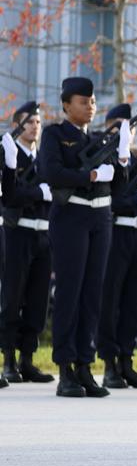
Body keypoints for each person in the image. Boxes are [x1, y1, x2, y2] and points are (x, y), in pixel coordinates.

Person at [39, 77, 131, 398]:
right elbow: (50, 172)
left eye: (92, 102)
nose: (90, 106)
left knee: (93, 294)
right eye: (83, 101)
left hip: (100, 218)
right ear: (66, 104)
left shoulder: (97, 140)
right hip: (71, 218)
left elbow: (118, 187)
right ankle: (65, 368)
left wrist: (121, 159)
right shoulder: (54, 134)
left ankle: (84, 365)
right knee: (70, 292)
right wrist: (89, 175)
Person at [97, 103, 137, 390]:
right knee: (111, 300)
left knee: (135, 301)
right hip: (116, 233)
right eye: (121, 125)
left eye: (130, 127)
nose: (127, 131)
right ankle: (109, 363)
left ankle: (126, 361)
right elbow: (113, 199)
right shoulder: (104, 158)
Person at [0, 101, 54, 384]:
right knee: (13, 297)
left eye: (38, 122)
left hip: (43, 234)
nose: (35, 126)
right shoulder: (9, 156)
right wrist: (38, 193)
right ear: (17, 126)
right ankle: (8, 359)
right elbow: (11, 195)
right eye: (29, 122)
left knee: (37, 299)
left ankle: (27, 359)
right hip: (17, 232)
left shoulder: (45, 158)